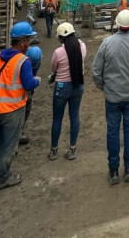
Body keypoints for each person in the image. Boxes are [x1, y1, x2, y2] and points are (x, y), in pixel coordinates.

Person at [92, 9, 129, 185]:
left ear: (117, 24)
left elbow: (96, 72)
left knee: (112, 131)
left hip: (112, 96)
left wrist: (103, 87)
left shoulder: (107, 43)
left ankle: (113, 171)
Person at [0, 21, 40, 190]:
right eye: (28, 40)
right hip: (13, 109)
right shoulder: (23, 61)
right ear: (22, 42)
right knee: (9, 144)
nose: (29, 44)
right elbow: (28, 84)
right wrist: (37, 81)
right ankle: (2, 177)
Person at [49, 22, 87, 161]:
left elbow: (53, 69)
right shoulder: (82, 47)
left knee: (57, 118)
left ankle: (53, 151)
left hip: (62, 87)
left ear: (61, 38)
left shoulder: (58, 52)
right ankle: (72, 149)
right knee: (74, 115)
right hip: (78, 85)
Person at [20, 44, 42, 145]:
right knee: (25, 111)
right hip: (25, 93)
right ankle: (19, 134)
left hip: (17, 94)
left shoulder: (24, 63)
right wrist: (37, 80)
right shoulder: (35, 64)